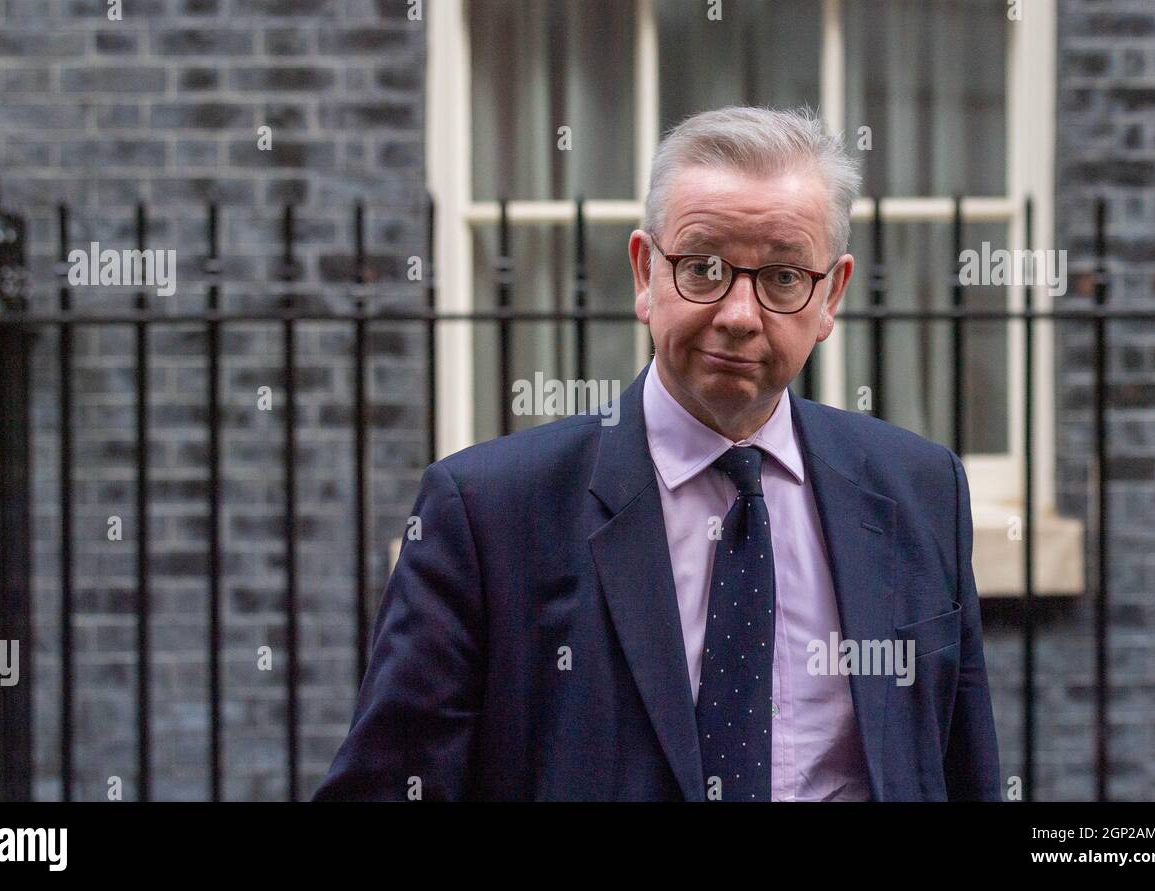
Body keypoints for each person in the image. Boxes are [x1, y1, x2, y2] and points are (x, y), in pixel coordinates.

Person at [313, 106, 1000, 802]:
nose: (738, 314)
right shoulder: (487, 515)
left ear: (832, 295)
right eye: (702, 267)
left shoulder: (922, 490)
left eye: (784, 276)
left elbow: (964, 769)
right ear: (645, 273)